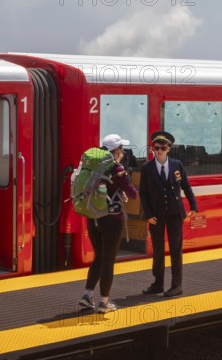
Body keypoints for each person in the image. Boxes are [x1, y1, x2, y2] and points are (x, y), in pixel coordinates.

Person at [78, 134, 138, 313]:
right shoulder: (118, 169)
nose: (123, 152)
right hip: (111, 221)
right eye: (121, 149)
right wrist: (126, 184)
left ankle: (87, 296)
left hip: (93, 218)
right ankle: (104, 302)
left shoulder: (92, 166)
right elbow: (133, 193)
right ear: (116, 151)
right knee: (108, 260)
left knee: (99, 257)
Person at [140, 131, 197, 297]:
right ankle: (158, 284)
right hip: (156, 215)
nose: (159, 150)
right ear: (152, 149)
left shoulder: (177, 165)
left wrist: (193, 205)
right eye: (156, 147)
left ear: (168, 149)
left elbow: (186, 186)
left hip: (175, 214)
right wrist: (148, 214)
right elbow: (143, 193)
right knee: (158, 250)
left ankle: (176, 285)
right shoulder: (147, 168)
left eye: (163, 147)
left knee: (175, 250)